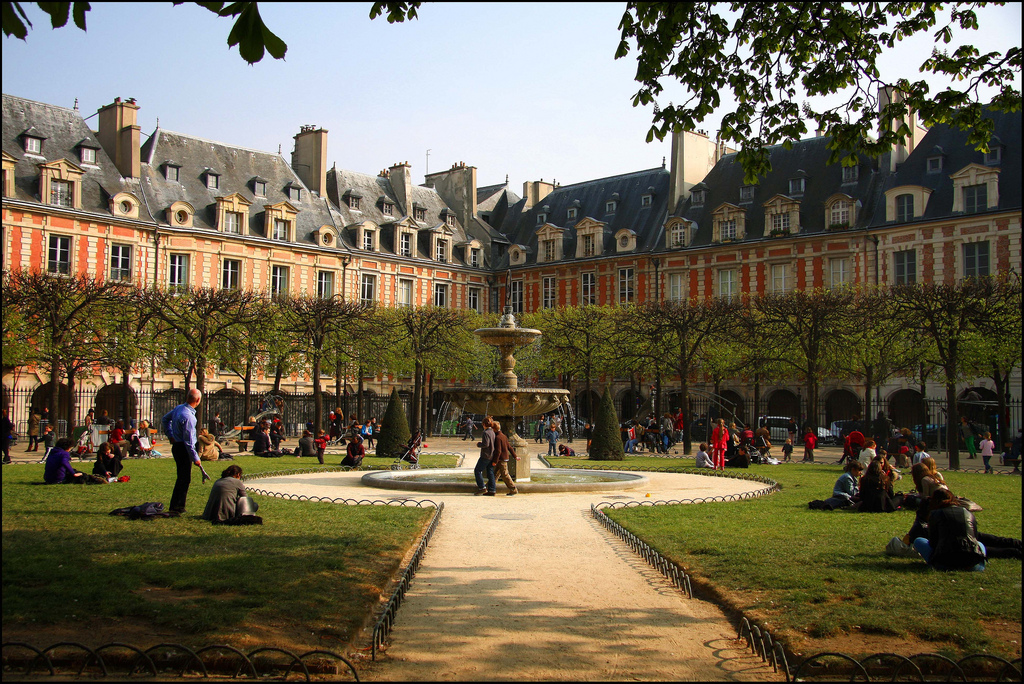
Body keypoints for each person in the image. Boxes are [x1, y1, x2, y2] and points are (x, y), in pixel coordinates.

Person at [912, 489, 986, 571]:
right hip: (973, 564)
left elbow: (933, 543)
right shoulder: (968, 513)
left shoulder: (935, 514)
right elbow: (975, 539)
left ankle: (934, 562)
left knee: (919, 541)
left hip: (944, 563)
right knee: (980, 544)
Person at [161, 388, 204, 516]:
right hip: (183, 448)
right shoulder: (189, 417)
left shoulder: (179, 408)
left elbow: (165, 419)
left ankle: (177, 505)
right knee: (184, 478)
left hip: (177, 446)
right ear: (197, 400)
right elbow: (189, 441)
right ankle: (177, 506)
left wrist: (170, 435)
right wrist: (195, 457)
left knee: (182, 476)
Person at [491, 420, 519, 496]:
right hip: (505, 457)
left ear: (493, 429)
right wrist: (515, 456)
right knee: (495, 474)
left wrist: (495, 461)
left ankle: (513, 489)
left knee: (505, 475)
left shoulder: (498, 437)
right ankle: (489, 488)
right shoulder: (503, 436)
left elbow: (498, 451)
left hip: (501, 459)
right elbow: (509, 447)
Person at [474, 417, 496, 496]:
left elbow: (486, 444)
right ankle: (492, 489)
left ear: (484, 424)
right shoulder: (492, 432)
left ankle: (482, 487)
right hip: (491, 455)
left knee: (477, 470)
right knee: (490, 472)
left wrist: (479, 444)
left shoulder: (485, 433)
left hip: (486, 455)